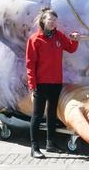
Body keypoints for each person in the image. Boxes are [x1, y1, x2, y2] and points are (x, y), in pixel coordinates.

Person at [25, 8, 80, 159]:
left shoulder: (59, 36)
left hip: (56, 82)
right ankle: (34, 147)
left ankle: (51, 144)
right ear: (43, 21)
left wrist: (75, 39)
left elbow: (71, 48)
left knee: (52, 113)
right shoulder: (35, 39)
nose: (53, 22)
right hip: (41, 83)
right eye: (50, 20)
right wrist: (32, 85)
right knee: (37, 115)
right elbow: (30, 64)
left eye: (55, 20)